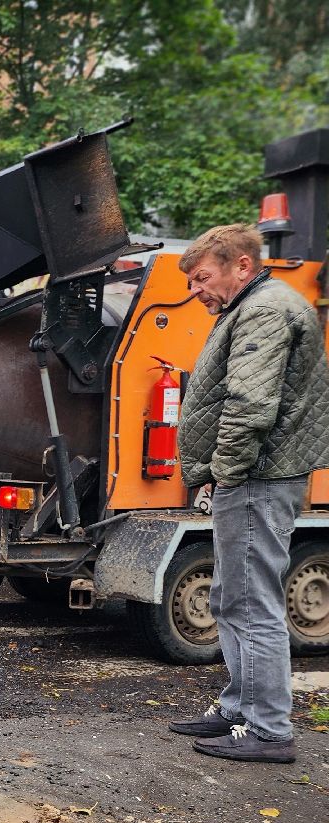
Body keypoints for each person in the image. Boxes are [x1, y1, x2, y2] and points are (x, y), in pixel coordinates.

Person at [169, 223, 329, 764]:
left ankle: (267, 728)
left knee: (250, 601)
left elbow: (250, 404)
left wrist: (225, 471)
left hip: (258, 477)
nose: (197, 291)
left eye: (203, 278)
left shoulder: (264, 310)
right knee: (229, 597)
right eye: (192, 282)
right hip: (254, 475)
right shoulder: (253, 307)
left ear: (241, 265)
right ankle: (239, 707)